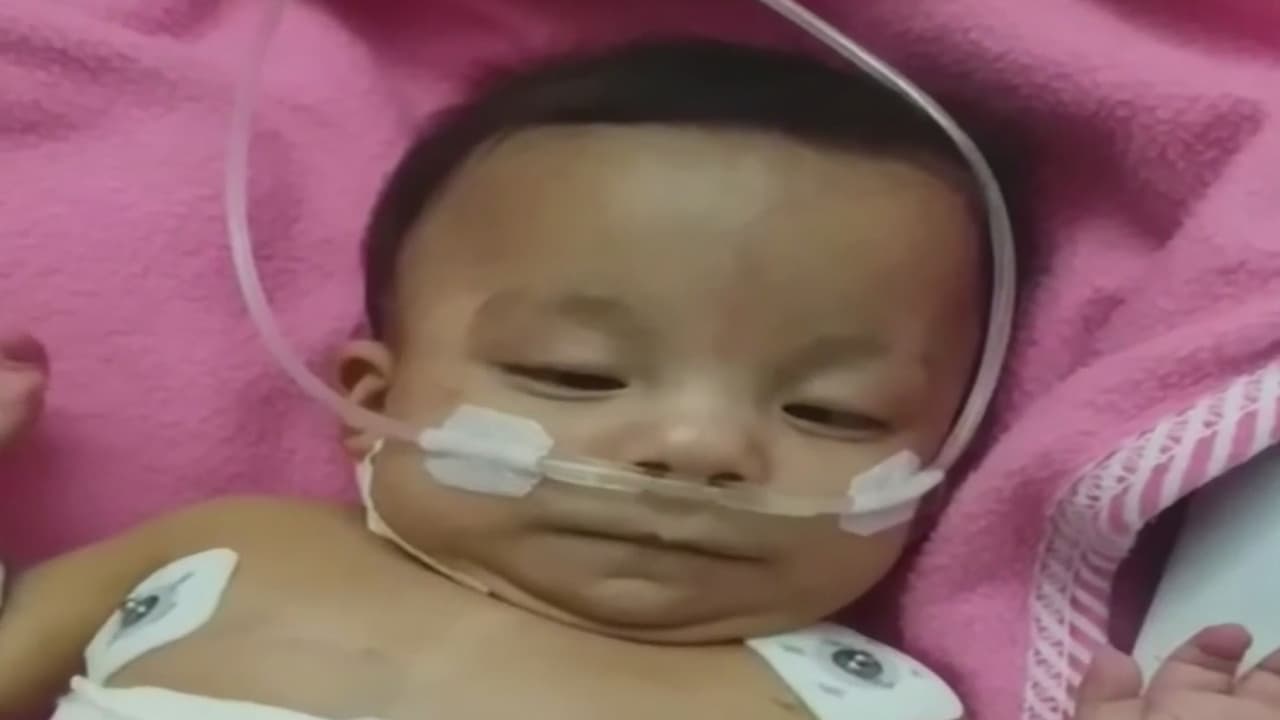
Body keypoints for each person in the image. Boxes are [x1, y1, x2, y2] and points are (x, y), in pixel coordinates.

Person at [0, 39, 1275, 720]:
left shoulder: (863, 700)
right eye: (574, 373)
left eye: (828, 410)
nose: (696, 449)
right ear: (372, 401)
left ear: (939, 468)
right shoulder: (225, 555)